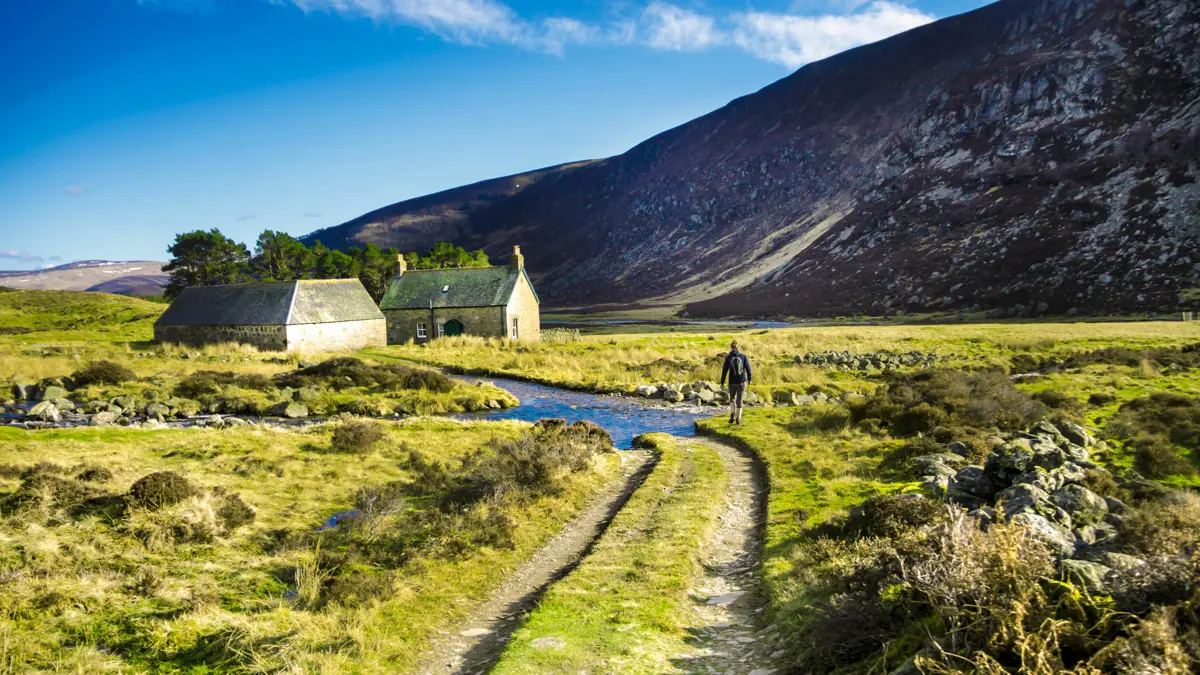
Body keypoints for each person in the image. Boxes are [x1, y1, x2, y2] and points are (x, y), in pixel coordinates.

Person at [720, 340, 752, 425]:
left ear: (731, 347)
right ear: (738, 348)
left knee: (732, 399)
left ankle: (732, 414)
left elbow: (724, 371)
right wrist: (749, 379)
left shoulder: (728, 357)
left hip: (732, 382)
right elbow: (748, 369)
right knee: (739, 400)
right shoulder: (743, 356)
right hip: (741, 381)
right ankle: (738, 419)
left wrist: (722, 382)